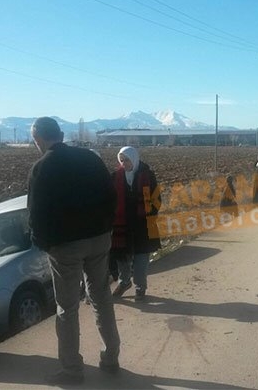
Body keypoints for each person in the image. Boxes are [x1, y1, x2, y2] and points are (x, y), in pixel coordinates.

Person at [27, 116, 120, 385]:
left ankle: (71, 369)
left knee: (67, 307)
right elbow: (110, 196)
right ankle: (111, 357)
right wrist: (106, 228)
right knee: (101, 296)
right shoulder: (90, 159)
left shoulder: (41, 168)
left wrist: (45, 244)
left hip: (65, 246)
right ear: (61, 134)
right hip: (99, 239)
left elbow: (36, 214)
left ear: (39, 139)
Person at [109, 146, 162, 302]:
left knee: (141, 259)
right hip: (122, 225)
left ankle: (140, 287)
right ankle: (124, 282)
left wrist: (149, 213)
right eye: (121, 160)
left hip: (142, 225)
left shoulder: (148, 176)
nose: (124, 163)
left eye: (127, 160)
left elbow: (157, 199)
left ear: (134, 159)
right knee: (121, 258)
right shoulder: (115, 177)